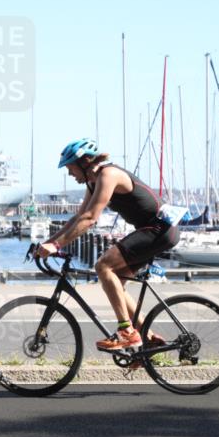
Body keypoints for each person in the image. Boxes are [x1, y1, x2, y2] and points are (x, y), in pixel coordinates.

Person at [36, 139, 179, 351]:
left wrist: (57, 246)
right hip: (150, 230)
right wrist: (47, 243)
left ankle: (127, 333)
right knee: (117, 285)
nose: (69, 174)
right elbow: (78, 217)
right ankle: (146, 338)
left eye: (70, 168)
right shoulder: (92, 182)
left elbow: (91, 218)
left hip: (159, 229)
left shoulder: (108, 175)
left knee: (103, 266)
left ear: (84, 162)